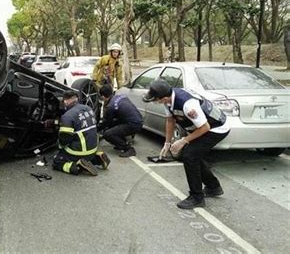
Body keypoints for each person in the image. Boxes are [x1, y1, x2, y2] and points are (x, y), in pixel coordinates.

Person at [142, 80, 230, 209]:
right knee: (193, 155)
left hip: (216, 128)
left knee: (189, 155)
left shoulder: (187, 104)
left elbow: (205, 127)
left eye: (155, 99)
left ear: (164, 98)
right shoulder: (168, 100)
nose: (155, 102)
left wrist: (183, 141)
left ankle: (197, 197)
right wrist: (167, 142)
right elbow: (170, 120)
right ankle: (213, 187)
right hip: (203, 127)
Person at [51, 90, 110, 176]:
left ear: (66, 101)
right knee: (86, 152)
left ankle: (78, 166)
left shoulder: (67, 116)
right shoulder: (88, 108)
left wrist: (59, 146)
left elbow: (65, 139)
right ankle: (97, 157)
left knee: (57, 161)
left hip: (79, 152)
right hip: (93, 148)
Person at [98, 85, 143, 157]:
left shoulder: (111, 106)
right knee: (112, 125)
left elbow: (105, 123)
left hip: (133, 124)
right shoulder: (122, 96)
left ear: (103, 97)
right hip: (138, 120)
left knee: (107, 134)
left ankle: (128, 149)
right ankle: (120, 143)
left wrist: (96, 129)